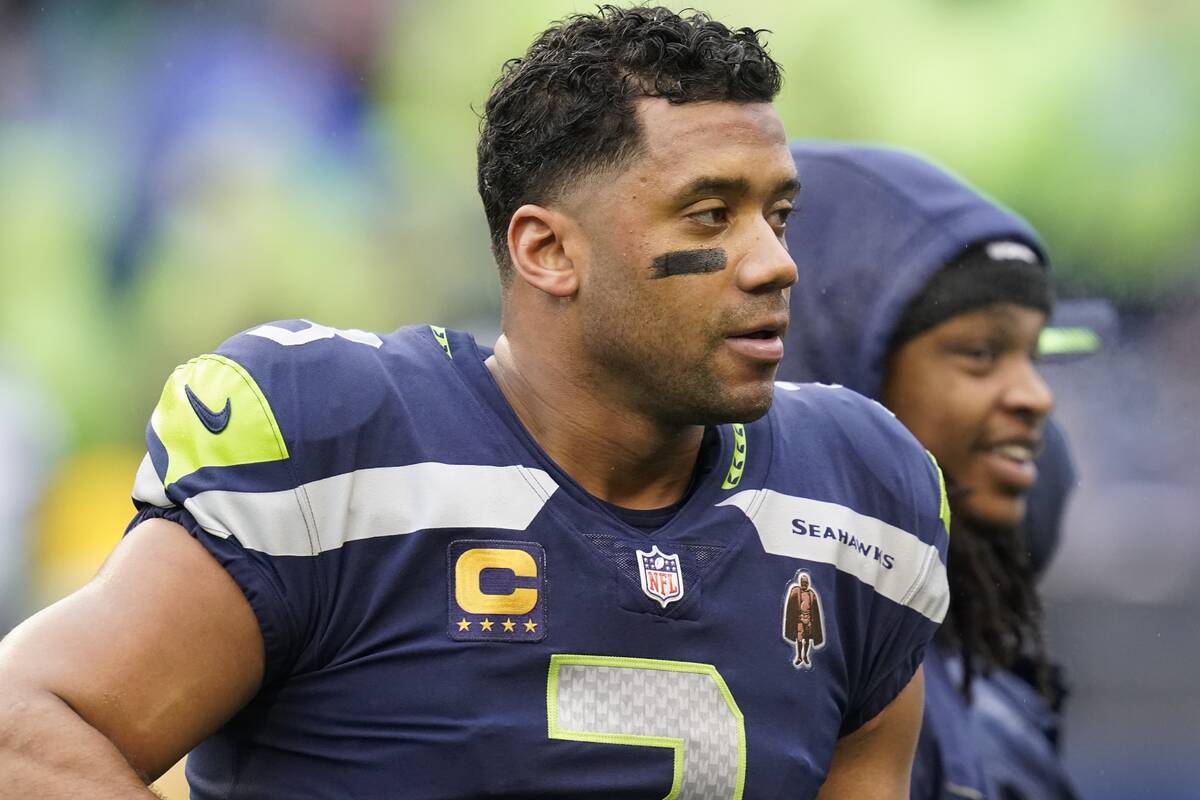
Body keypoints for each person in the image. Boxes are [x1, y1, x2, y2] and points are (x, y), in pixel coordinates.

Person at [0, 9, 950, 798]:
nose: (775, 262)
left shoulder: (858, 500)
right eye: (711, 214)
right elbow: (29, 726)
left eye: (777, 216)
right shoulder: (345, 450)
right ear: (548, 252)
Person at [780, 141, 1081, 799]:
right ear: (842, 367)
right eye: (981, 352)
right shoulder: (778, 676)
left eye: (1034, 353)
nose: (1036, 396)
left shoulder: (973, 667)